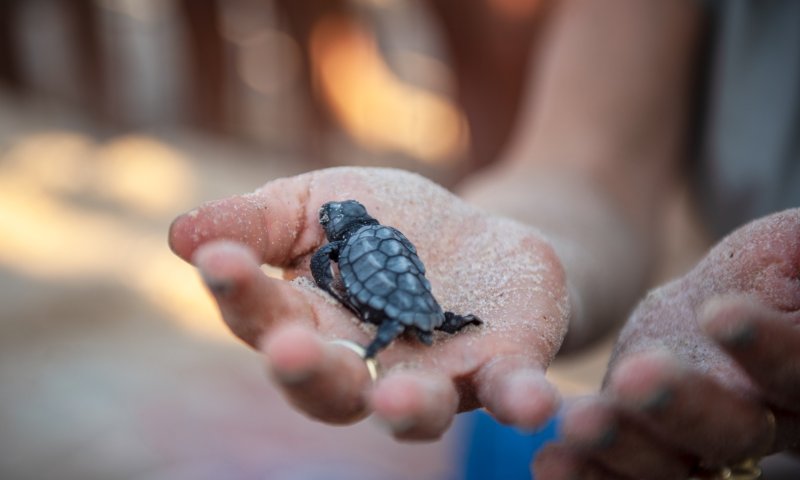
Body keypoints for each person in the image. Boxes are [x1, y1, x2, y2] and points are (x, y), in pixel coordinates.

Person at [168, 0, 800, 478]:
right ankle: (444, 320)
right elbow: (586, 170)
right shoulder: (380, 232)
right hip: (419, 295)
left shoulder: (337, 249)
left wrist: (339, 290)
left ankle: (416, 327)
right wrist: (519, 236)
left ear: (334, 233)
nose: (327, 229)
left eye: (331, 225)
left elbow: (343, 271)